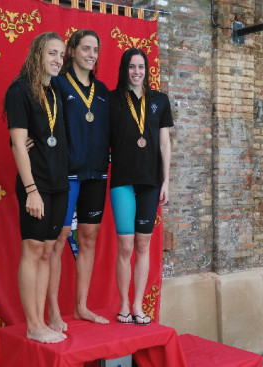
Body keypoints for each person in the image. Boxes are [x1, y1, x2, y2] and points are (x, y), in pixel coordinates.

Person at [4, 31, 68, 343]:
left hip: (59, 183)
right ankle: (32, 325)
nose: (58, 60)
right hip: (36, 184)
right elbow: (18, 142)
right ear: (38, 55)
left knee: (46, 250)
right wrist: (31, 190)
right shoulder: (19, 90)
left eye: (61, 55)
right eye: (52, 53)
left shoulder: (55, 91)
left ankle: (41, 321)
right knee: (32, 249)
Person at [47, 29, 111, 331]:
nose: (91, 54)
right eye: (85, 48)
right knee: (59, 239)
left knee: (88, 239)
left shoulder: (102, 92)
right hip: (67, 174)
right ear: (71, 51)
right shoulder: (57, 84)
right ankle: (53, 312)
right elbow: (40, 117)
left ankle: (82, 306)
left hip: (97, 173)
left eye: (95, 49)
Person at [109, 48, 172, 326]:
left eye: (141, 67)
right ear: (125, 69)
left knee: (143, 244)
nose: (137, 72)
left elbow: (164, 143)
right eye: (132, 67)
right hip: (122, 180)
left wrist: (166, 180)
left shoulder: (159, 100)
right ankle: (123, 304)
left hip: (150, 181)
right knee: (125, 246)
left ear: (147, 70)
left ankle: (138, 305)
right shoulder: (112, 100)